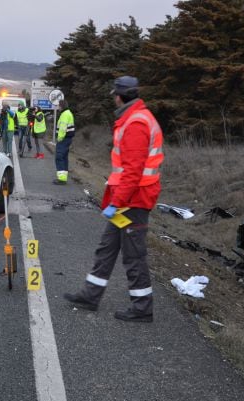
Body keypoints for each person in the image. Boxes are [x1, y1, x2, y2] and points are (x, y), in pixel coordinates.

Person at [63, 76, 164, 322]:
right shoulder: (133, 118)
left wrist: (116, 203)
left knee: (133, 256)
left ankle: (142, 309)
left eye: (114, 95)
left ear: (119, 96)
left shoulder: (136, 123)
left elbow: (132, 171)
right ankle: (90, 296)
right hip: (128, 198)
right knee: (107, 249)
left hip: (134, 200)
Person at [53, 99, 75, 184]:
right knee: (64, 157)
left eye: (58, 105)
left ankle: (61, 179)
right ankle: (64, 177)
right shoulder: (68, 113)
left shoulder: (65, 114)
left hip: (63, 139)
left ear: (61, 106)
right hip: (67, 139)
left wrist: (59, 138)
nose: (58, 107)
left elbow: (63, 127)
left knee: (59, 157)